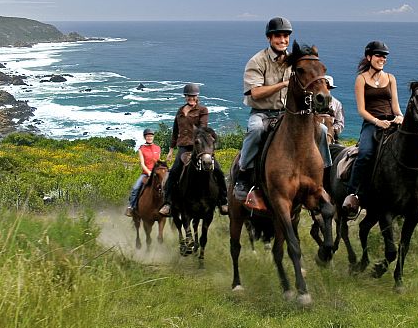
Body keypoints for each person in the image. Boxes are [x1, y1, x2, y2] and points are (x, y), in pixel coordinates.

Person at [341, 41, 418, 218]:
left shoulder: (391, 78)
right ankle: (353, 195)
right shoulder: (361, 79)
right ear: (369, 57)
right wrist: (378, 122)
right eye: (379, 55)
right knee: (365, 153)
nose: (382, 59)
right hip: (371, 124)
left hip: (392, 121)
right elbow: (361, 110)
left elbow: (394, 105)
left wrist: (400, 117)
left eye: (384, 56)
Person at [235, 16, 332, 201]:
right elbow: (255, 93)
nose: (282, 40)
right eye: (278, 36)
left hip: (287, 114)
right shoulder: (257, 61)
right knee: (255, 130)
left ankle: (325, 173)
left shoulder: (296, 61)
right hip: (262, 113)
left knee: (322, 129)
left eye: (286, 36)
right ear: (269, 38)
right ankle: (243, 174)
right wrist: (283, 84)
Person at [159, 83, 228, 216]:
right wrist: (171, 150)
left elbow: (202, 128)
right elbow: (175, 131)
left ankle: (223, 201)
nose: (191, 98)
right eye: (189, 96)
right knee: (173, 172)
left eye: (193, 96)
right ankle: (168, 203)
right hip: (184, 147)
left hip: (200, 146)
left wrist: (197, 138)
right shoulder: (180, 111)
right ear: (185, 96)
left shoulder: (202, 110)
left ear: (197, 96)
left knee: (218, 171)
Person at [125, 128, 161, 217]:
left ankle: (169, 207)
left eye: (151, 136)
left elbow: (158, 161)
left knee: (167, 185)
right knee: (135, 188)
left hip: (157, 173)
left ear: (153, 137)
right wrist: (148, 172)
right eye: (148, 136)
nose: (149, 138)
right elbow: (142, 164)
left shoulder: (157, 148)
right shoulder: (141, 149)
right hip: (146, 174)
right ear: (145, 137)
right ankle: (131, 207)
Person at [324, 76, 345, 142]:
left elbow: (340, 123)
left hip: (329, 135)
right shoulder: (311, 100)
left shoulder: (337, 104)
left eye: (327, 86)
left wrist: (331, 129)